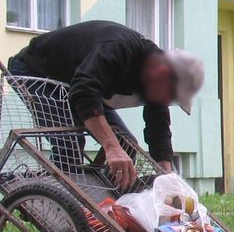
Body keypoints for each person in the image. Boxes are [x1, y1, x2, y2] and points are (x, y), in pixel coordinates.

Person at [7, 20, 205, 189]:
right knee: (69, 144)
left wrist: (166, 176)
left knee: (126, 145)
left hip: (74, 83)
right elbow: (84, 93)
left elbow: (159, 129)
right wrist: (110, 147)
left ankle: (106, 208)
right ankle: (51, 204)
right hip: (36, 71)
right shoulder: (117, 48)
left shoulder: (156, 81)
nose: (167, 101)